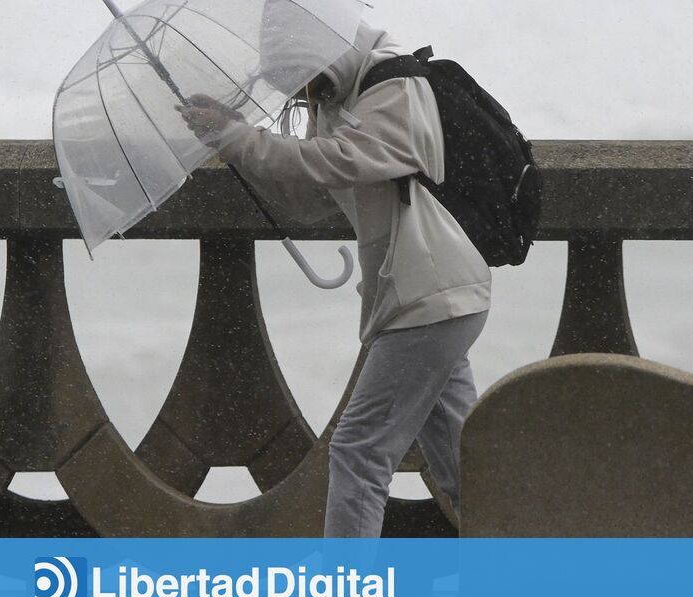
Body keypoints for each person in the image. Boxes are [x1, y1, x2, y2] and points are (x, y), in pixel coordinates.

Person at [177, 16, 491, 538]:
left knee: (359, 449)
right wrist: (237, 134)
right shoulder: (339, 98)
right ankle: (520, 574)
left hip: (429, 295)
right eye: (294, 89)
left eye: (305, 79)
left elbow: (337, 162)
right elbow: (309, 196)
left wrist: (238, 139)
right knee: (465, 469)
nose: (305, 95)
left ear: (323, 50)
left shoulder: (396, 83)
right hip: (427, 295)